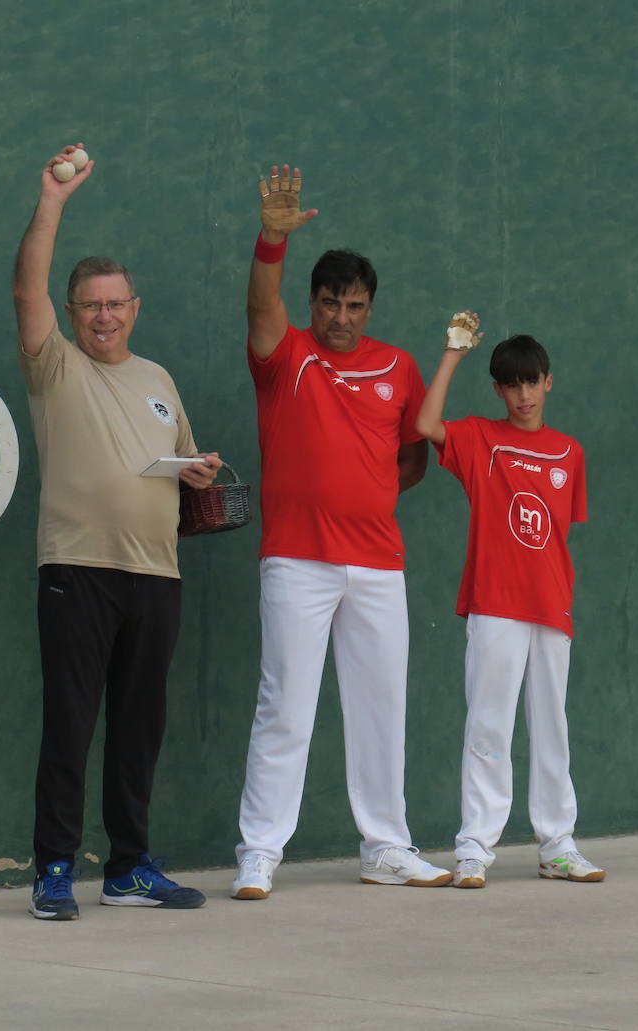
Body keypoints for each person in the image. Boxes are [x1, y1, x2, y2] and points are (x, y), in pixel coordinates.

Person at [12, 143, 221, 920]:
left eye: (116, 303)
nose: (105, 315)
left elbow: (174, 463)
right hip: (78, 568)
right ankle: (54, 868)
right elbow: (24, 283)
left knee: (138, 731)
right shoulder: (54, 365)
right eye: (91, 305)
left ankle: (130, 865)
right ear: (71, 315)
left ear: (135, 308)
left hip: (156, 575)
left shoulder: (159, 379)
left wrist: (193, 470)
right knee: (71, 723)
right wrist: (53, 201)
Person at [232, 165, 449, 901]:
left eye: (355, 305)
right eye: (330, 303)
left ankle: (386, 845)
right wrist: (271, 241)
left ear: (369, 305)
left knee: (382, 706)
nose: (342, 318)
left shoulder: (399, 366)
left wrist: (376, 495)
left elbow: (412, 454)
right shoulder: (286, 356)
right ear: (314, 303)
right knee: (286, 705)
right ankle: (260, 851)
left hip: (379, 564)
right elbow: (261, 309)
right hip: (297, 560)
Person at [415, 322, 602, 888]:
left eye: (532, 383)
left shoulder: (569, 452)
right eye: (512, 385)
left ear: (549, 383)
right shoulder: (480, 439)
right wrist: (452, 355)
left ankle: (558, 846)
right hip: (494, 603)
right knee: (488, 724)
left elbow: (557, 530)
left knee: (552, 726)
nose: (523, 395)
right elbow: (425, 424)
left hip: (551, 606)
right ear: (498, 389)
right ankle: (473, 847)